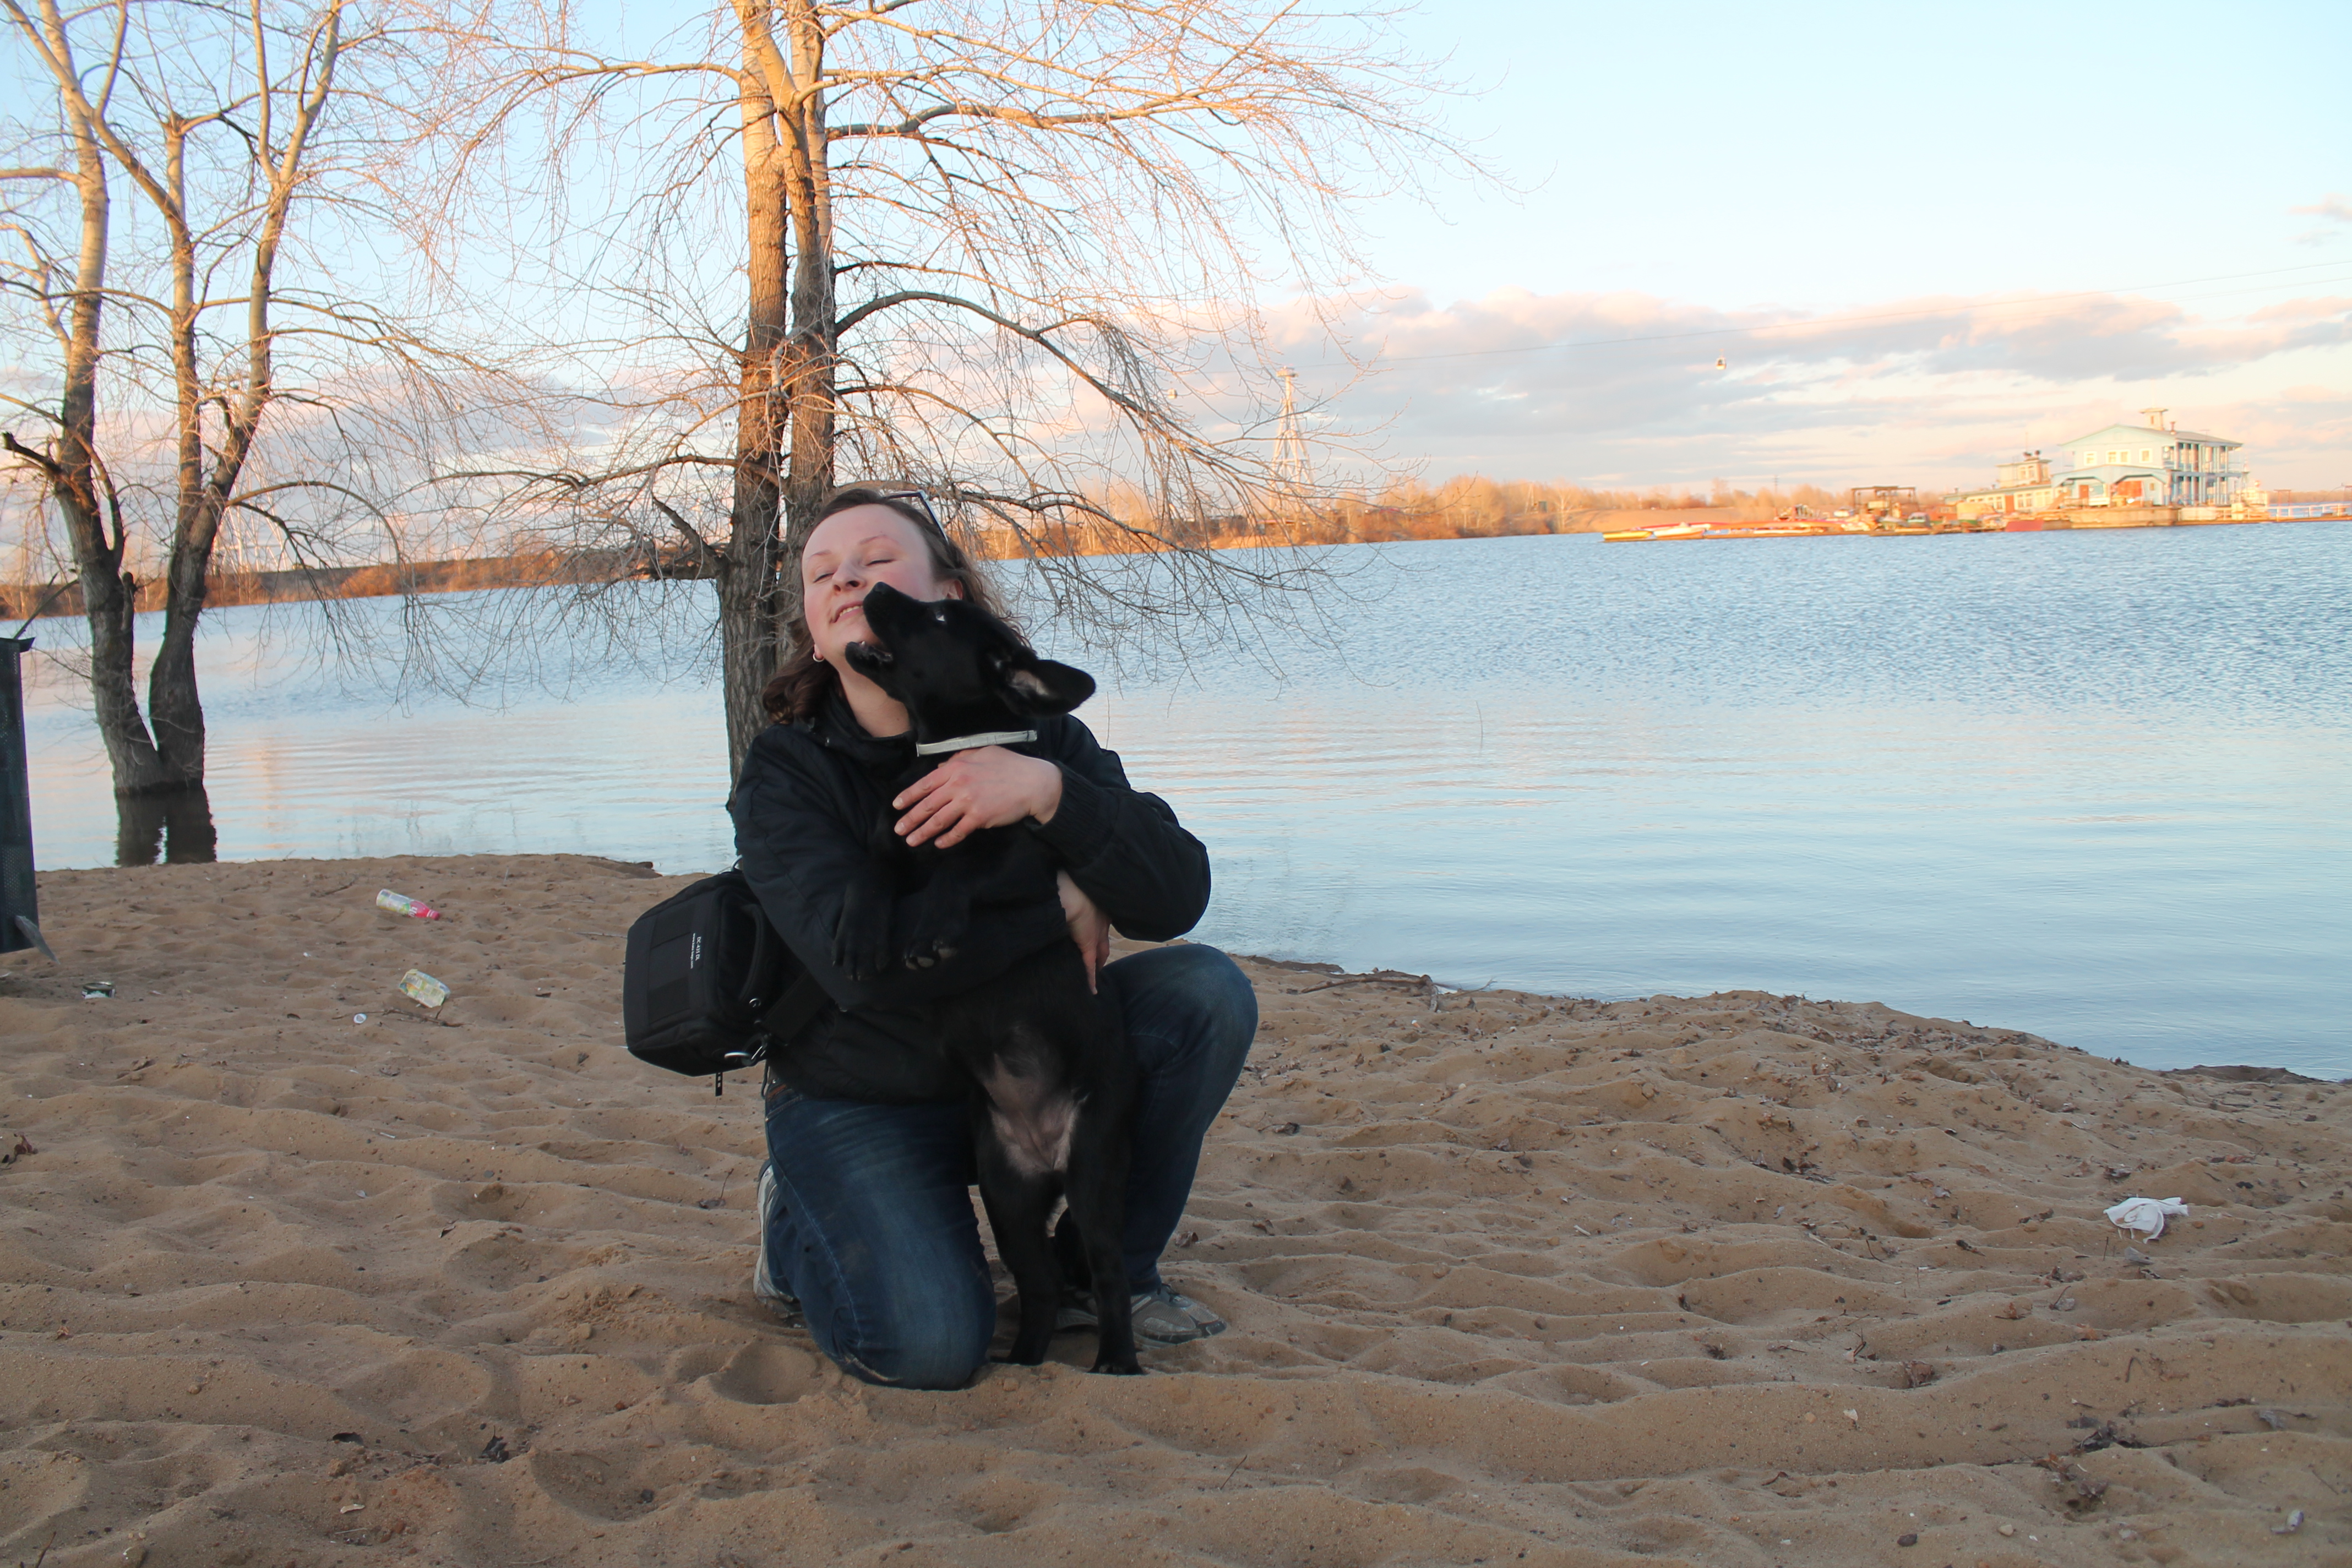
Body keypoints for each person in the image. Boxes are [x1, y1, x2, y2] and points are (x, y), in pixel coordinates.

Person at [728, 484, 1256, 1390]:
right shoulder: (789, 771)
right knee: (929, 1348)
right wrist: (1058, 901)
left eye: (876, 560)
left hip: (1026, 1070)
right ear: (814, 634)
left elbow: (1177, 896)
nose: (847, 578)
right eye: (822, 574)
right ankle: (795, 1225)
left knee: (1205, 994)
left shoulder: (1039, 732)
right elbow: (867, 968)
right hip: (869, 1093)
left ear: (951, 594)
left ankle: (1102, 1273)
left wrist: (1053, 796)